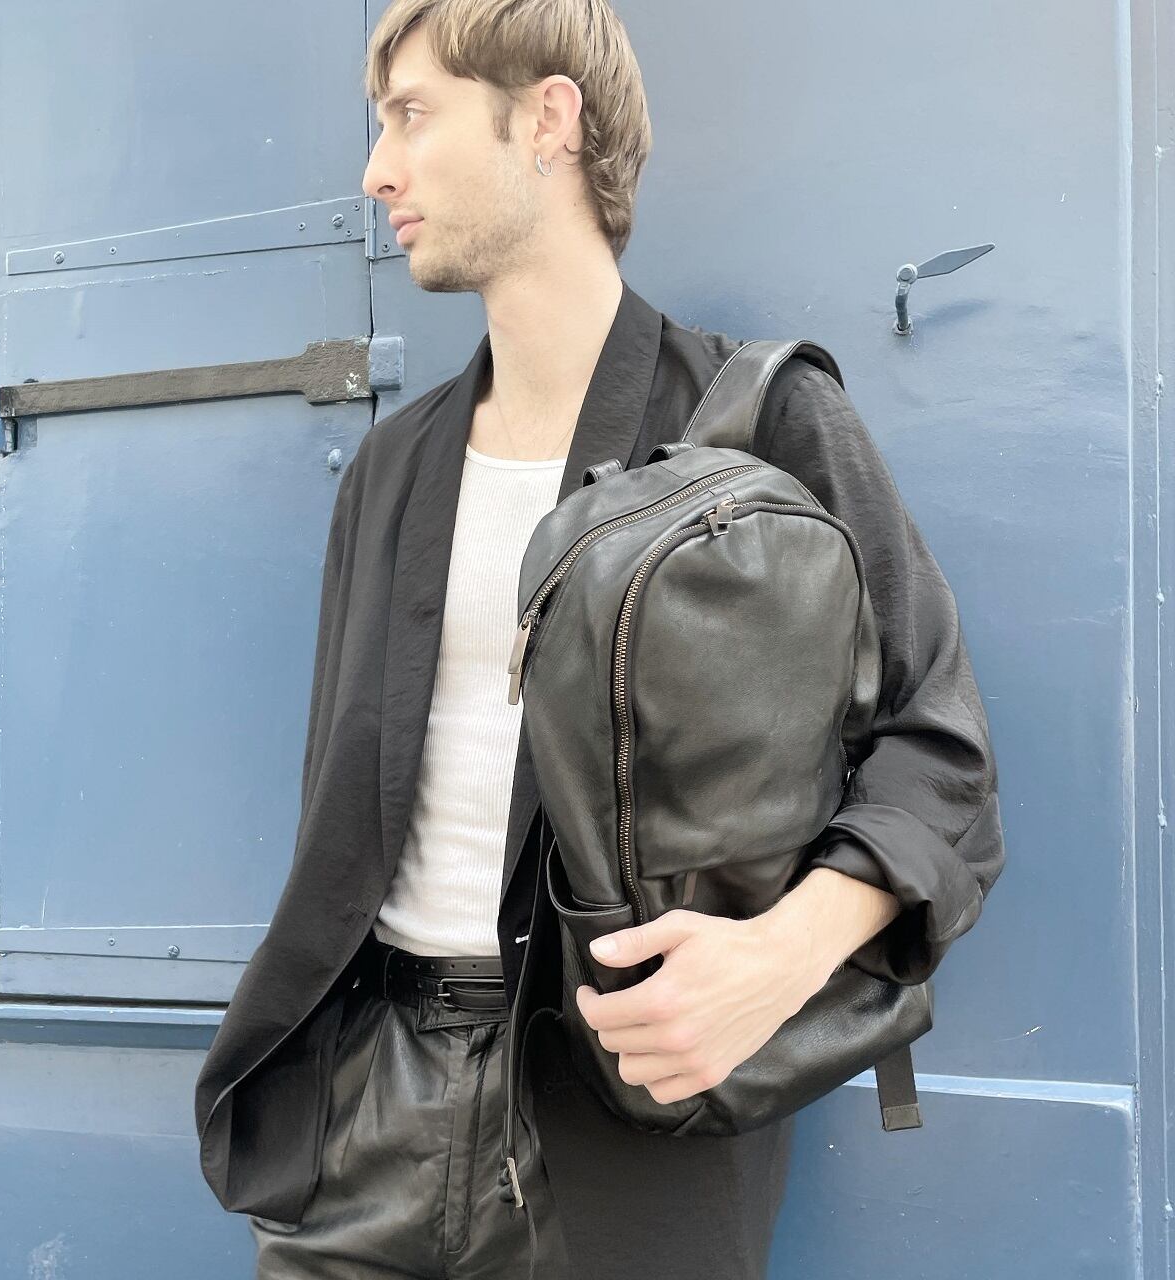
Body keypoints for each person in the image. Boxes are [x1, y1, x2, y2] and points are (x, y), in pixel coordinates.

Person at [193, 2, 1006, 1277]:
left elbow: (940, 753)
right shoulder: (390, 470)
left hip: (625, 1134)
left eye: (411, 115)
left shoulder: (760, 424)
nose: (375, 171)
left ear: (547, 121)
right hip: (360, 1128)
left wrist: (777, 956)